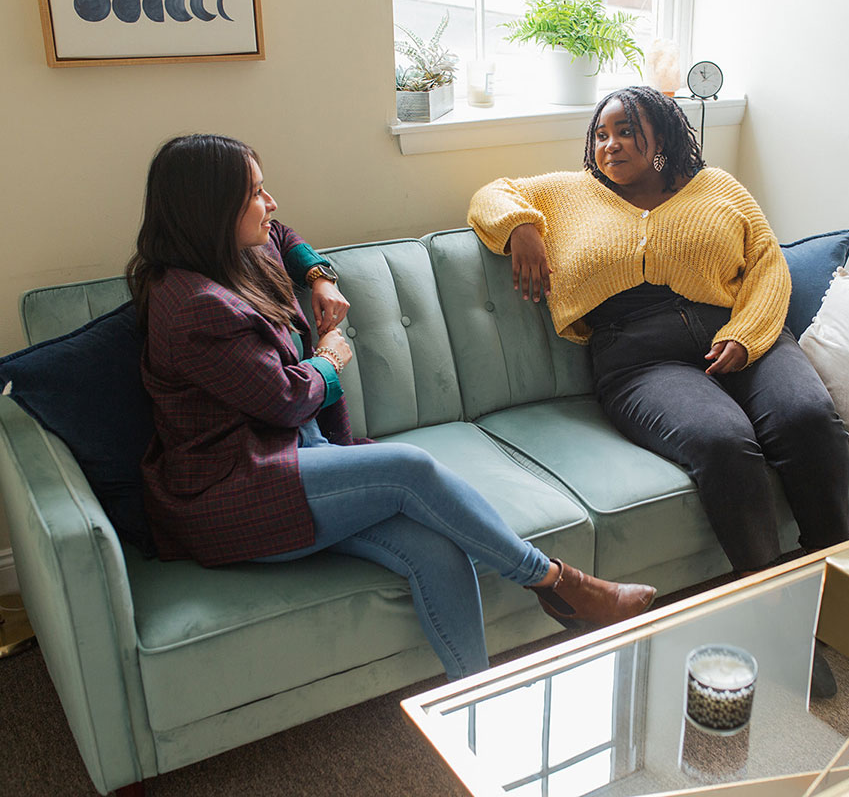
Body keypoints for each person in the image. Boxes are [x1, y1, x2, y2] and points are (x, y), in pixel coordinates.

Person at [126, 133, 656, 681]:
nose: (272, 203)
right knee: (409, 468)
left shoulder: (236, 252)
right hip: (233, 491)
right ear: (210, 210)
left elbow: (282, 235)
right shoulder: (193, 307)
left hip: (295, 461)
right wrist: (331, 360)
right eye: (256, 194)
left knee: (436, 551)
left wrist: (318, 276)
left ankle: (470, 695)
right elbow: (286, 399)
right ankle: (555, 583)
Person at [468, 86, 849, 575]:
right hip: (640, 358)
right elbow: (489, 194)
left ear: (664, 135)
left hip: (739, 332)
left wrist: (747, 334)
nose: (611, 144)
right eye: (602, 135)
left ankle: (839, 571)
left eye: (627, 131)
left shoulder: (719, 187)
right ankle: (766, 592)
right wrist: (520, 226)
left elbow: (767, 263)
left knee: (808, 417)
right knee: (722, 442)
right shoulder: (569, 192)